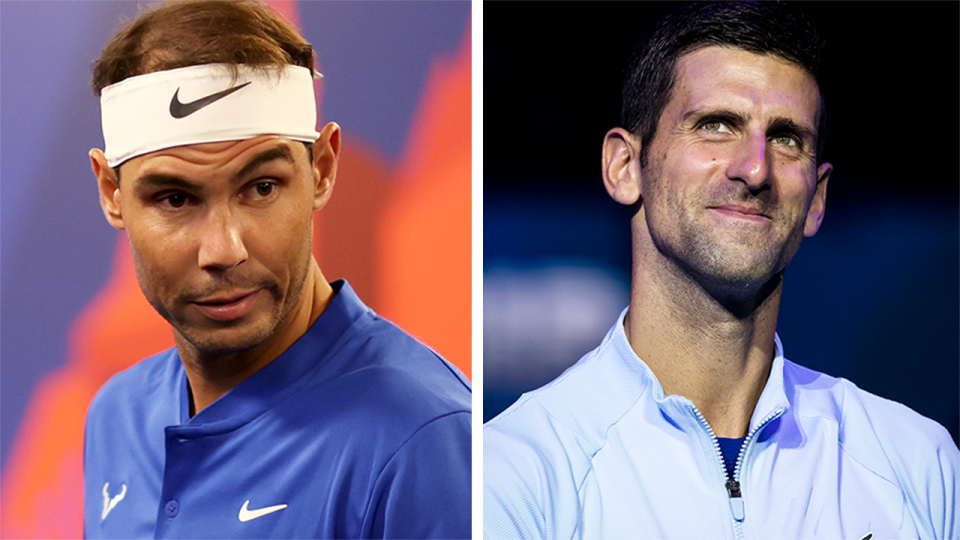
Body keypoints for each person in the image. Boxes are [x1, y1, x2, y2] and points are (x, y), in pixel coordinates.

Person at [483, 2, 958, 539]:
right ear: (624, 167)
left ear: (817, 199)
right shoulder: (518, 476)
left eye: (786, 138)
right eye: (715, 125)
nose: (755, 169)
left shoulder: (918, 464)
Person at [82, 1, 471, 538]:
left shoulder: (425, 439)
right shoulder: (114, 414)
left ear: (322, 170)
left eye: (261, 188)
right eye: (174, 198)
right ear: (112, 193)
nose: (224, 249)